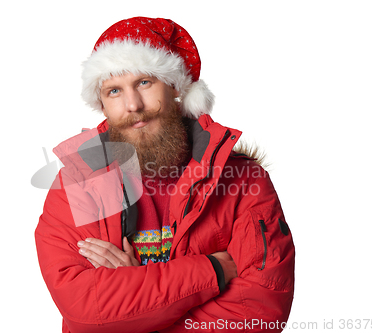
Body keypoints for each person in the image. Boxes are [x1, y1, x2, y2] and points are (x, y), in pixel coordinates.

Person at [35, 17, 295, 333]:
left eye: (145, 82)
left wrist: (133, 301)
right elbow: (86, 313)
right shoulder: (79, 183)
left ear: (175, 88)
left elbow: (260, 315)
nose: (133, 104)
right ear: (102, 105)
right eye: (114, 90)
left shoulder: (242, 181)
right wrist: (212, 271)